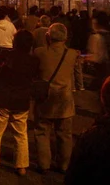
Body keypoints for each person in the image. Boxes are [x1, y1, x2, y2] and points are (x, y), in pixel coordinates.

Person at [0, 30, 39, 177]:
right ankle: (21, 166)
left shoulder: (6, 56)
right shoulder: (34, 61)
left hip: (3, 99)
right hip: (22, 101)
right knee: (21, 134)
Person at [33, 23, 78, 174]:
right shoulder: (72, 54)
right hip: (64, 99)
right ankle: (64, 164)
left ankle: (44, 164)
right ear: (65, 38)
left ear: (48, 36)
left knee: (42, 131)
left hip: (45, 98)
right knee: (64, 134)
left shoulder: (39, 53)